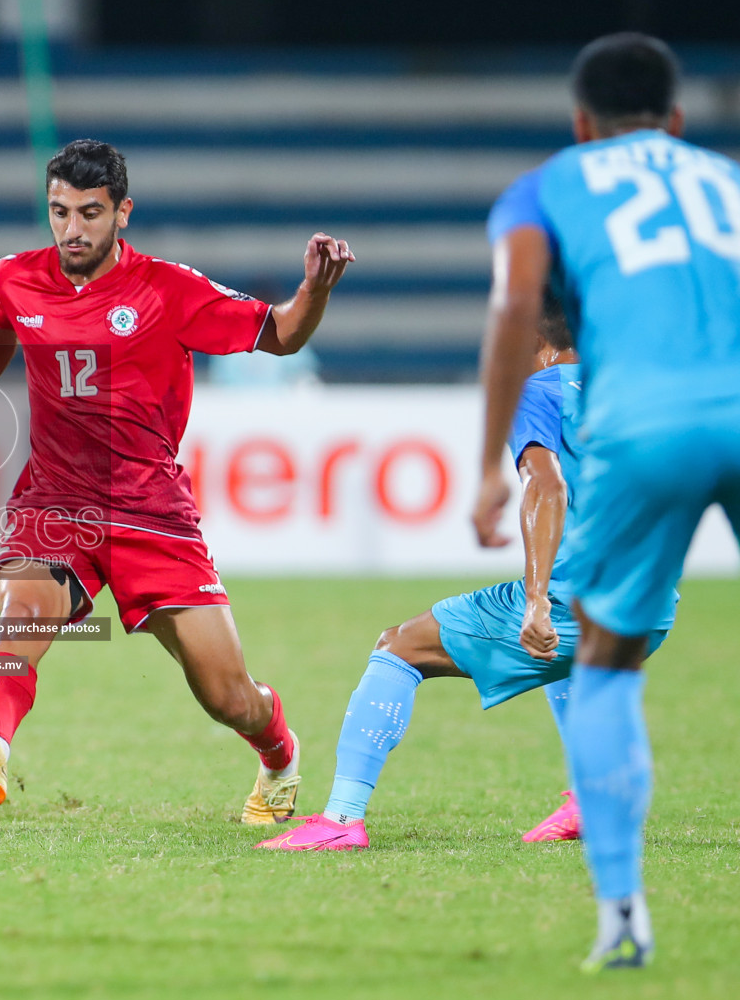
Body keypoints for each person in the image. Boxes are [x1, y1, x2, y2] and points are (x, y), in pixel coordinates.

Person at [0, 139, 353, 820]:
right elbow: (0, 333)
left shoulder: (169, 290)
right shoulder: (16, 276)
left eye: (90, 213)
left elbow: (280, 336)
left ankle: (279, 750)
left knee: (226, 697)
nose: (72, 229)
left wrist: (314, 291)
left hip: (149, 510)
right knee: (24, 613)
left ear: (122, 212)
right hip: (55, 500)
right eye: (59, 212)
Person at [473, 33, 740, 971]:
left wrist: (486, 466)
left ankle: (622, 913)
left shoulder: (548, 185)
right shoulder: (725, 181)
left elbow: (515, 310)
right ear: (675, 119)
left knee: (606, 657)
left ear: (581, 124)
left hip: (644, 425)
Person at [257, 301, 675, 853]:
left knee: (399, 648)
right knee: (566, 662)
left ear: (536, 345)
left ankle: (341, 818)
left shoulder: (537, 390)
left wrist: (536, 600)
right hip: (651, 606)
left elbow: (546, 485)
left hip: (579, 600)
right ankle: (592, 800)